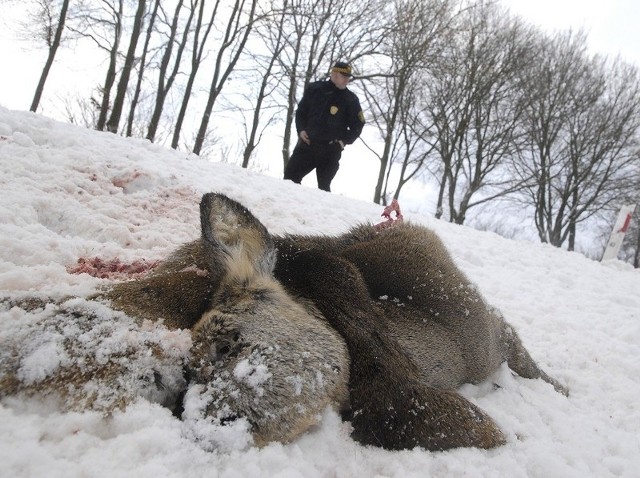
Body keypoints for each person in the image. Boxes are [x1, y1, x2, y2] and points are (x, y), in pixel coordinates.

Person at [284, 61, 365, 192]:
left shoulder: (351, 100)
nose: (346, 80)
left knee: (323, 188)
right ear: (333, 73)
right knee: (290, 178)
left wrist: (343, 141)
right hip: (308, 144)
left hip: (330, 149)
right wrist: (301, 130)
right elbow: (301, 112)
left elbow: (358, 125)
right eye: (343, 76)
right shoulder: (315, 89)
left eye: (348, 77)